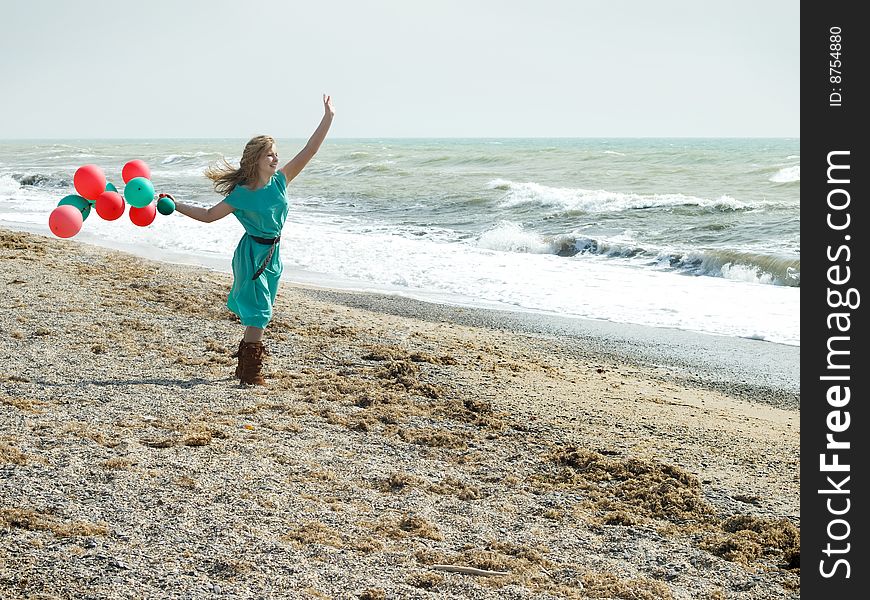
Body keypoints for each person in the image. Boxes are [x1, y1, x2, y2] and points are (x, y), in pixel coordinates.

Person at [167, 94, 335, 385]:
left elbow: (310, 149)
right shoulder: (242, 194)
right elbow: (209, 215)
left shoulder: (281, 180)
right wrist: (177, 205)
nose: (276, 157)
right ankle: (249, 373)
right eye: (269, 153)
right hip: (252, 255)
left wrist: (328, 118)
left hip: (274, 254)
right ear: (256, 159)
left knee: (262, 309)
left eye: (275, 153)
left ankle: (245, 368)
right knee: (259, 313)